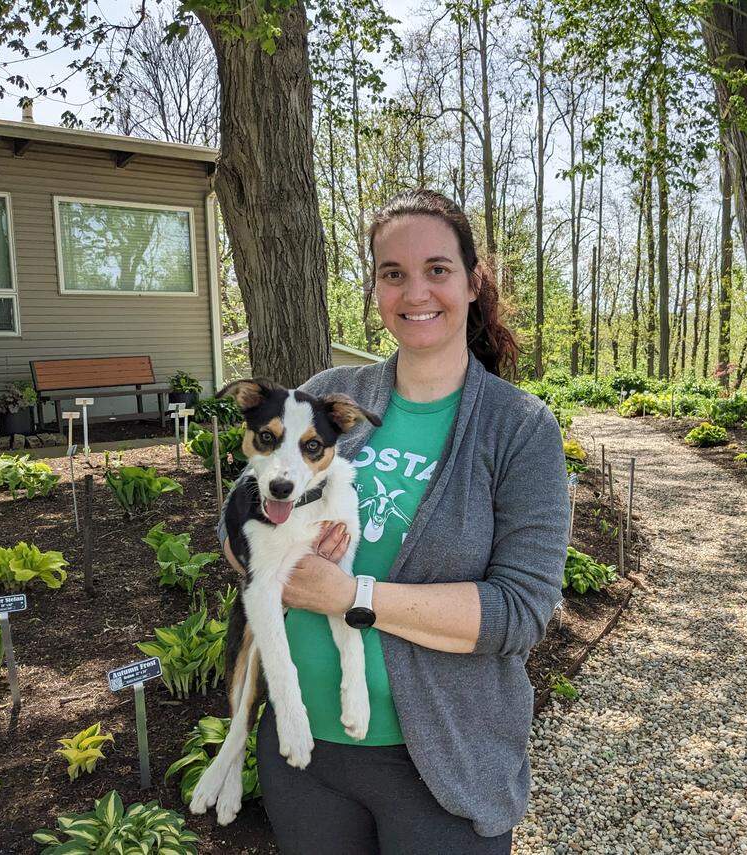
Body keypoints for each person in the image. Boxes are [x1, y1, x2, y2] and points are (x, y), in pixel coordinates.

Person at [217, 188, 569, 854]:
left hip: (441, 762)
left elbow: (520, 611)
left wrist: (350, 595)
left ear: (472, 282)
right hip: (304, 751)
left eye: (437, 269)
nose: (415, 292)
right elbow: (239, 516)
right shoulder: (330, 395)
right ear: (376, 288)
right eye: (393, 273)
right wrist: (269, 553)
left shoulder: (518, 428)